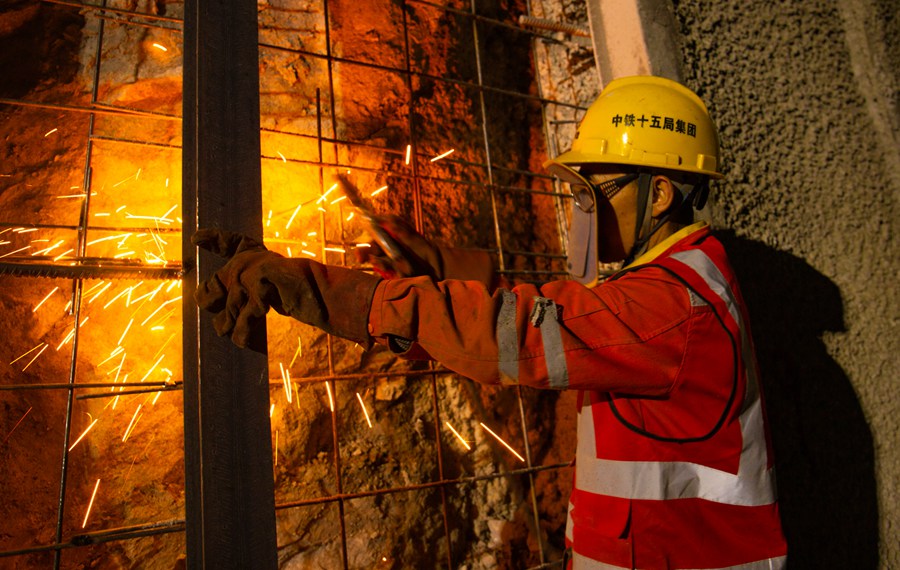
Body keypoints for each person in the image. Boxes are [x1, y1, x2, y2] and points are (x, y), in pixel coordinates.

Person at [194, 76, 787, 569]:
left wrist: (337, 295)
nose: (585, 207)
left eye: (595, 190)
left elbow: (523, 334)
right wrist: (440, 267)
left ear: (659, 195)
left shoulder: (673, 308)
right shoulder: (673, 284)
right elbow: (571, 320)